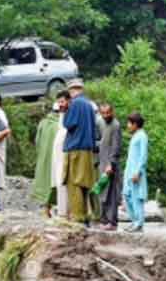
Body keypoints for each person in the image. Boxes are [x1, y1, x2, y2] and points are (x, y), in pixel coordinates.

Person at [62, 79, 97, 224]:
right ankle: (88, 216)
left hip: (75, 149)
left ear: (71, 90)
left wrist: (65, 110)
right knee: (86, 185)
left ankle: (78, 218)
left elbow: (68, 124)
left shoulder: (75, 104)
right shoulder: (89, 105)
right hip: (88, 150)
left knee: (74, 184)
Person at [96, 104, 122, 230]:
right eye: (103, 113)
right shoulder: (99, 122)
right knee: (101, 190)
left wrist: (111, 163)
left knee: (111, 194)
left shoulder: (116, 125)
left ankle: (112, 222)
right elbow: (98, 138)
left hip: (111, 165)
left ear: (112, 112)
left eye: (108, 113)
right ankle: (103, 219)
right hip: (101, 161)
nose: (106, 115)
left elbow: (116, 147)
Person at [32, 102, 60, 217]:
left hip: (43, 159)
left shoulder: (43, 123)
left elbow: (37, 142)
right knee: (56, 183)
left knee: (45, 183)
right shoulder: (61, 123)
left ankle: (46, 209)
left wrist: (41, 154)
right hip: (56, 159)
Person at [122, 113, 148, 233]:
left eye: (129, 123)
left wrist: (138, 171)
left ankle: (139, 223)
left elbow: (143, 156)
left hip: (136, 173)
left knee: (137, 198)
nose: (127, 126)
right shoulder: (135, 136)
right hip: (129, 171)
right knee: (127, 196)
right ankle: (134, 221)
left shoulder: (142, 136)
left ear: (135, 124)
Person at [51, 91, 70, 217]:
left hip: (66, 156)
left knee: (64, 183)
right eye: (59, 103)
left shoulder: (69, 116)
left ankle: (65, 211)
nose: (60, 105)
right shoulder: (61, 117)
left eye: (62, 102)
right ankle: (62, 210)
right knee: (59, 183)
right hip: (58, 159)